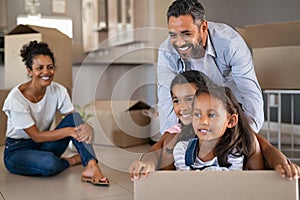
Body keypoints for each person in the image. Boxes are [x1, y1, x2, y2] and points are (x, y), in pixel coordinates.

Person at [130, 71, 299, 180]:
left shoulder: (242, 140)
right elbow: (155, 154)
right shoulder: (176, 139)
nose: (184, 108)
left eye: (191, 99)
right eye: (177, 100)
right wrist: (146, 165)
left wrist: (282, 164)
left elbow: (266, 149)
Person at [2, 40, 109, 186]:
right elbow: (37, 136)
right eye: (39, 68)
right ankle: (71, 161)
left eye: (50, 67)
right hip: (18, 151)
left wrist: (87, 125)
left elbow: (73, 119)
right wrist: (71, 131)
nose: (46, 72)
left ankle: (91, 166)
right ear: (29, 71)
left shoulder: (59, 90)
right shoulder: (16, 99)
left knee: (75, 118)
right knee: (49, 163)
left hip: (45, 145)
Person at [157, 0, 263, 135]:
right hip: (195, 110)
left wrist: (248, 135)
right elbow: (167, 100)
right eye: (173, 35)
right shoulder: (167, 52)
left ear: (203, 27)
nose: (179, 42)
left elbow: (250, 92)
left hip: (229, 105)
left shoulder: (230, 44)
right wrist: (169, 140)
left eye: (186, 34)